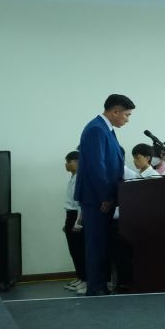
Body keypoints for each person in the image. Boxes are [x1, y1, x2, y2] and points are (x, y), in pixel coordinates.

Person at [75, 93, 134, 296]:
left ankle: (100, 284)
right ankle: (95, 287)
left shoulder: (106, 129)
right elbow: (96, 166)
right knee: (96, 243)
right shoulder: (96, 129)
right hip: (96, 198)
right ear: (115, 111)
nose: (127, 120)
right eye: (126, 115)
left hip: (103, 196)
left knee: (101, 242)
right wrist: (105, 197)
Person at [61, 150, 86, 292]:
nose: (66, 165)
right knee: (74, 250)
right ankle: (80, 277)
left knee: (80, 250)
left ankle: (86, 279)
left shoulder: (80, 179)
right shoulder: (73, 177)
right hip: (70, 216)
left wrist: (78, 223)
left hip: (77, 216)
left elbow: (80, 204)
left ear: (77, 162)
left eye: (68, 162)